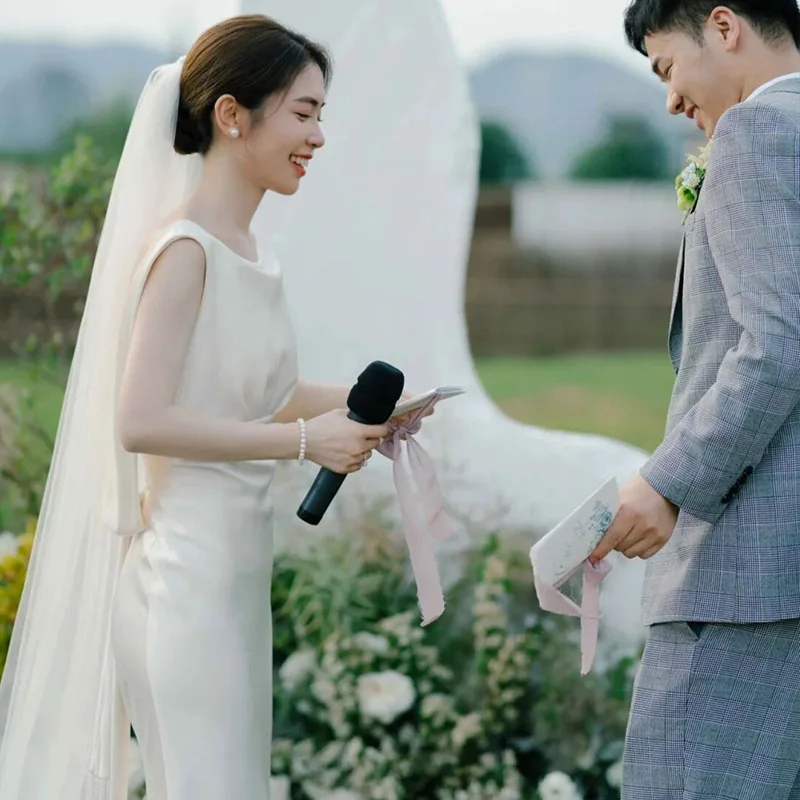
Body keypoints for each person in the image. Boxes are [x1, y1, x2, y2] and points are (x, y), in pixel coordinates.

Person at [0, 14, 418, 800]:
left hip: (229, 581)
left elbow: (260, 396)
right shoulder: (185, 247)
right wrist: (304, 442)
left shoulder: (249, 251)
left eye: (320, 115)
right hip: (180, 588)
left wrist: (377, 416)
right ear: (232, 116)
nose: (318, 136)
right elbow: (142, 419)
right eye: (303, 112)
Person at [587, 1, 800, 797]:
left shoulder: (755, 133)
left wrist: (668, 483)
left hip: (747, 576)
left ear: (723, 24)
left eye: (666, 65)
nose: (671, 99)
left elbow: (776, 343)